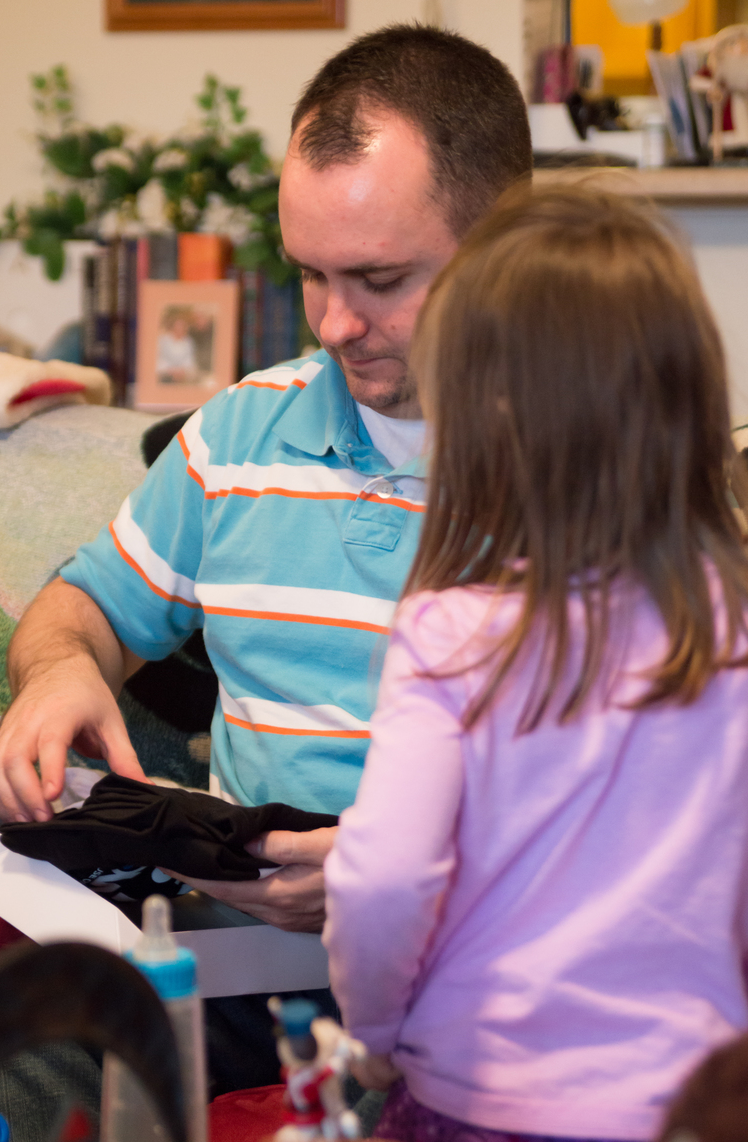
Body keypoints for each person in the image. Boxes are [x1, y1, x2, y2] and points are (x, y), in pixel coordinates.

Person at [0, 24, 532, 941]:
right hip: (233, 974)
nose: (336, 325)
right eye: (310, 273)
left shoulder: (603, 464)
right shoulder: (238, 435)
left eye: (380, 277)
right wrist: (59, 671)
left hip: (487, 986)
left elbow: (670, 804)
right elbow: (80, 609)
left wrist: (407, 877)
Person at [323, 185, 748, 1142]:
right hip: (697, 1108)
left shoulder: (449, 633)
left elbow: (385, 878)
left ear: (486, 423)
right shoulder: (734, 629)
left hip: (479, 1098)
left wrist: (376, 1030)